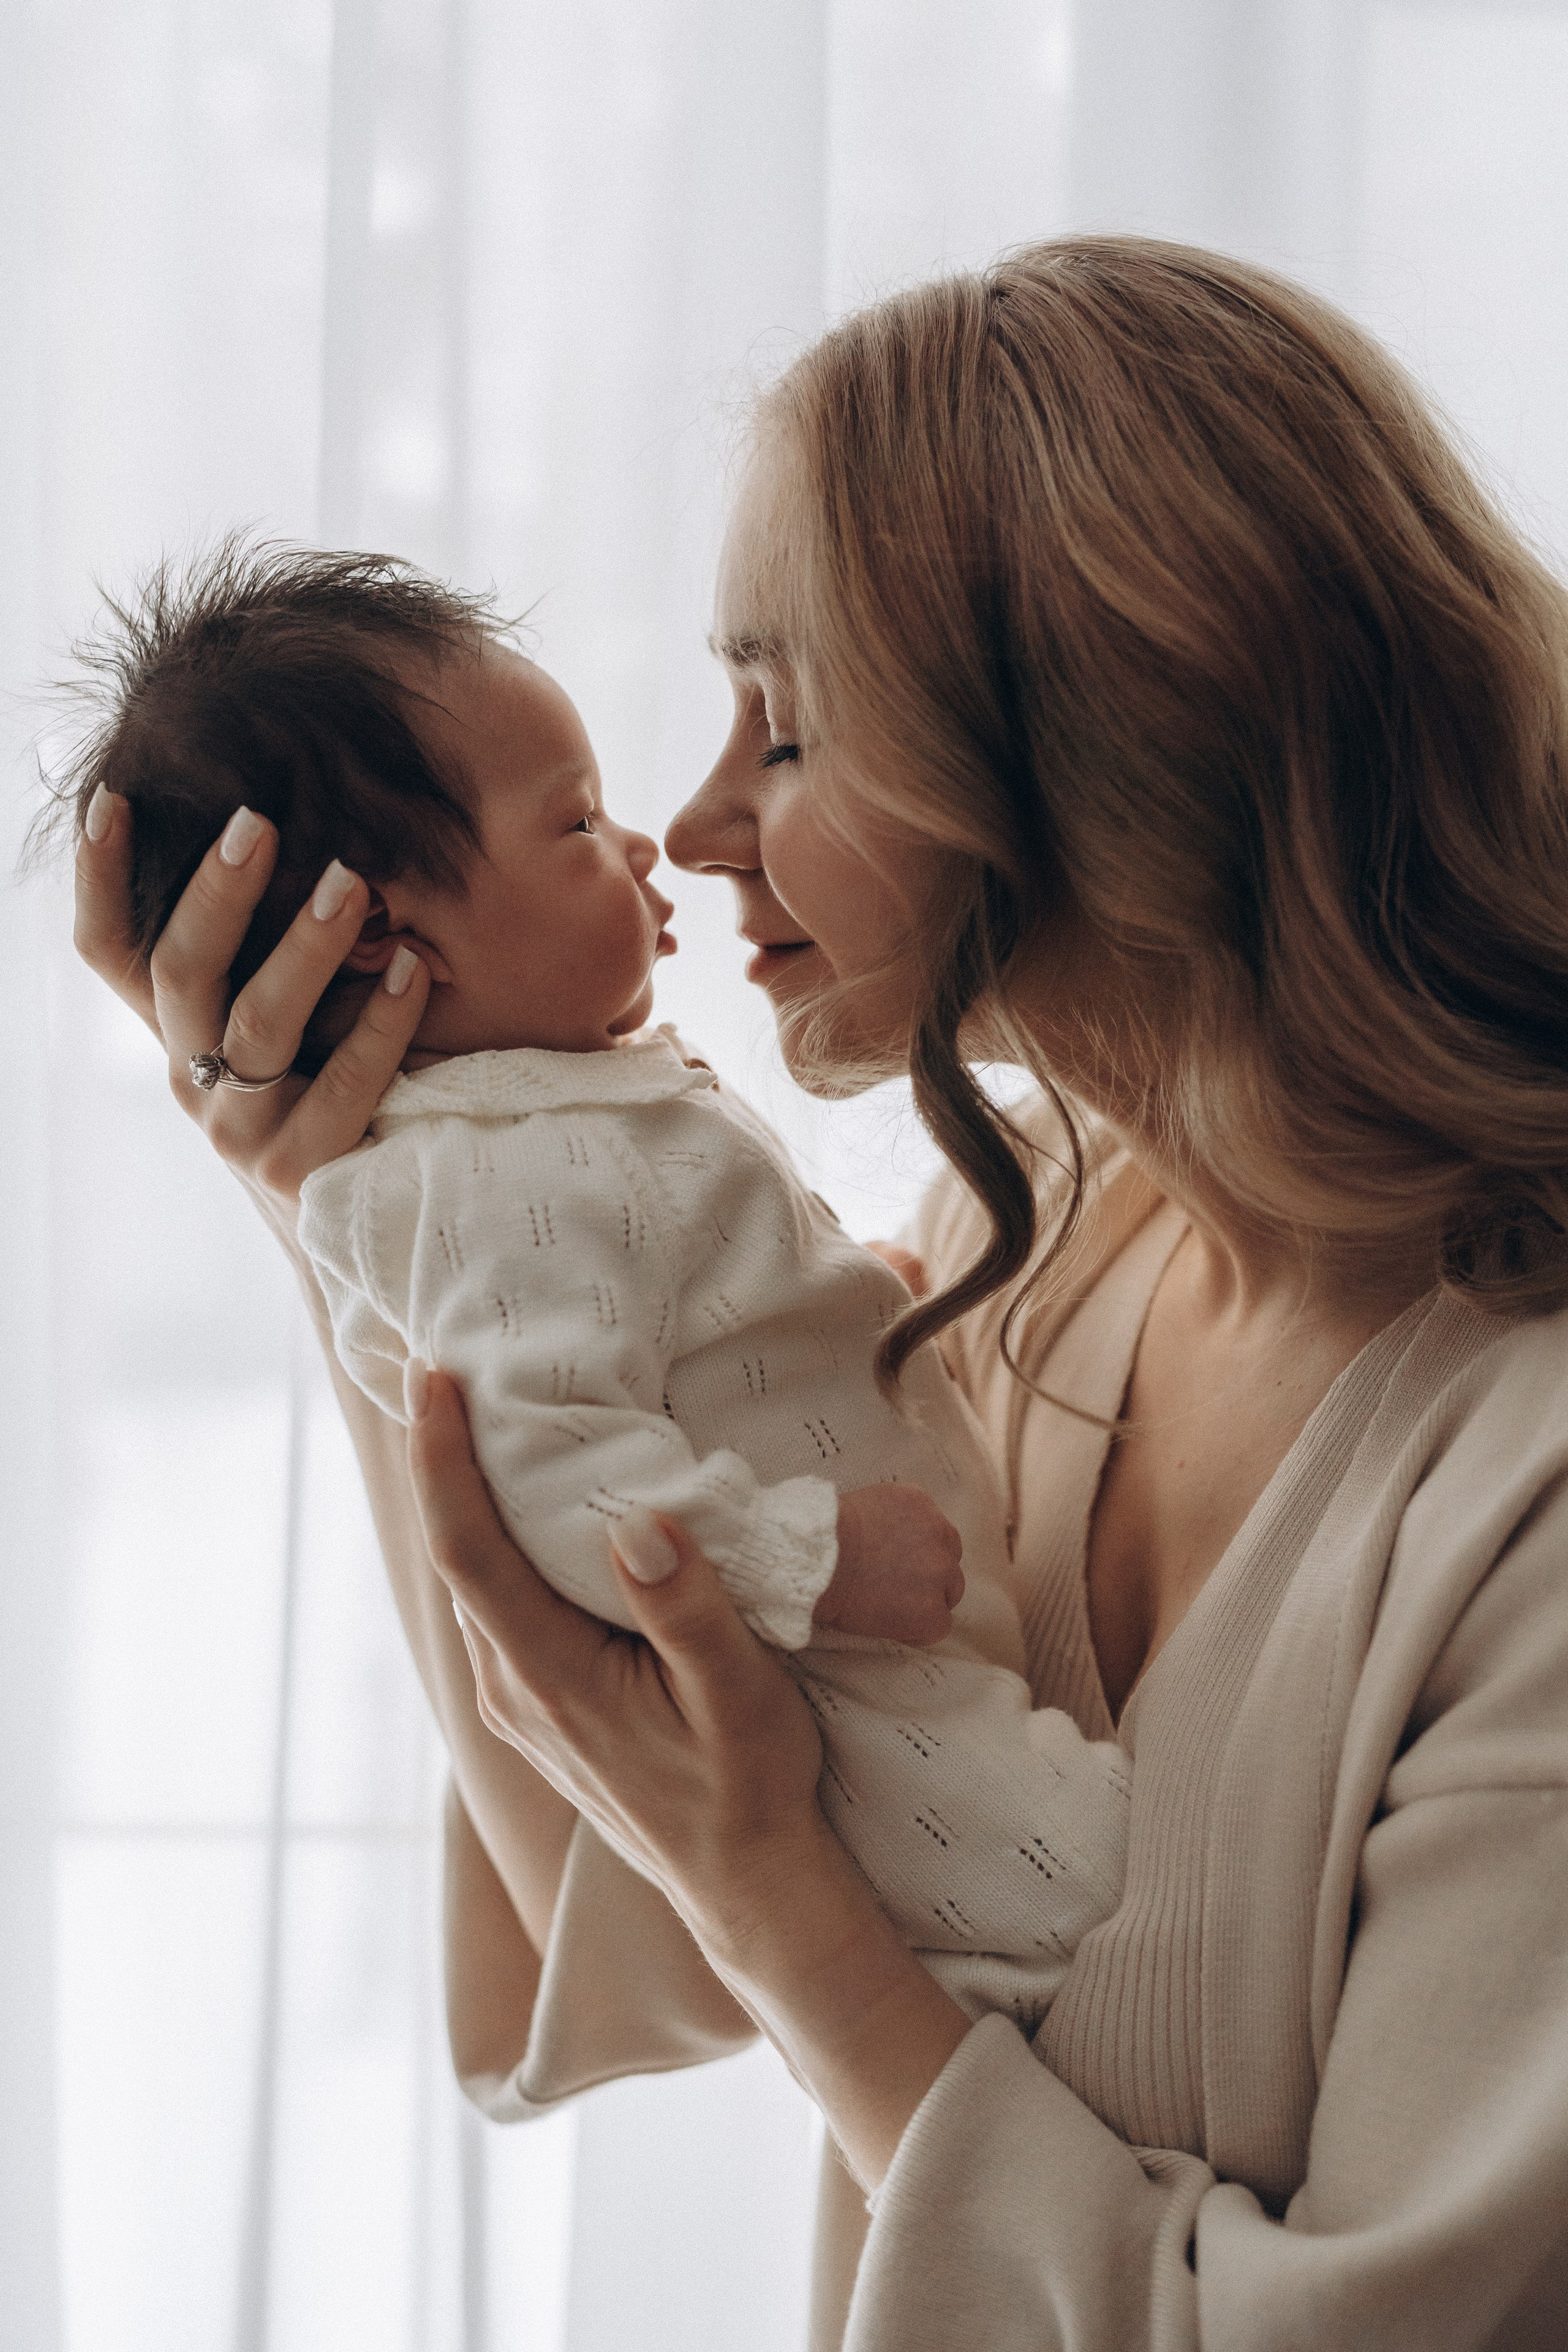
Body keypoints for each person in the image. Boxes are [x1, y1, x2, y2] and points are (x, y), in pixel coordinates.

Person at [71, 235, 1568, 2350]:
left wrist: (788, 1910)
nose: (688, 829)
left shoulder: (1527, 1499)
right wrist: (353, 1215)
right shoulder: (1016, 1259)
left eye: (788, 728)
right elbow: (616, 1915)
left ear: (1114, 761)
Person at [53, 541, 1130, 2029]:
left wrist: (843, 1310)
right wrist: (800, 1561)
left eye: (794, 730)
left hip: (900, 1723)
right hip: (857, 1706)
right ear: (381, 937)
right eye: (574, 821)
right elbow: (553, 1464)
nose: (659, 840)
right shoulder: (498, 1173)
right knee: (1101, 1895)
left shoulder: (547, 1125)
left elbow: (676, 1317)